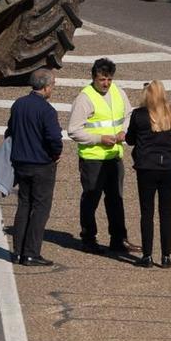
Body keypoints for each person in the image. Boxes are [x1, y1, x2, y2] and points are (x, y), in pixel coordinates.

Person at [69, 57, 131, 253]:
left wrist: (124, 131)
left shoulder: (118, 92)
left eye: (109, 79)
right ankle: (88, 239)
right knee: (91, 199)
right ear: (94, 78)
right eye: (102, 79)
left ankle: (118, 239)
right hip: (93, 158)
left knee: (116, 199)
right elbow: (73, 130)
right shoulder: (84, 98)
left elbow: (128, 115)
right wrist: (99, 139)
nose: (106, 83)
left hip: (114, 156)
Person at [6, 70, 64, 265]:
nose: (52, 89)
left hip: (21, 163)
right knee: (40, 208)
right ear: (46, 87)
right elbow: (54, 138)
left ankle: (18, 252)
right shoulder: (47, 110)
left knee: (24, 205)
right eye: (52, 85)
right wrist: (56, 154)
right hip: (41, 165)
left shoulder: (19, 104)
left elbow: (10, 130)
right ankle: (31, 252)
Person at [125, 79, 171, 268]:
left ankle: (147, 255)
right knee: (166, 212)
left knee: (147, 212)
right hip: (169, 167)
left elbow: (130, 139)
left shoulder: (139, 115)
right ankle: (166, 256)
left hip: (147, 167)